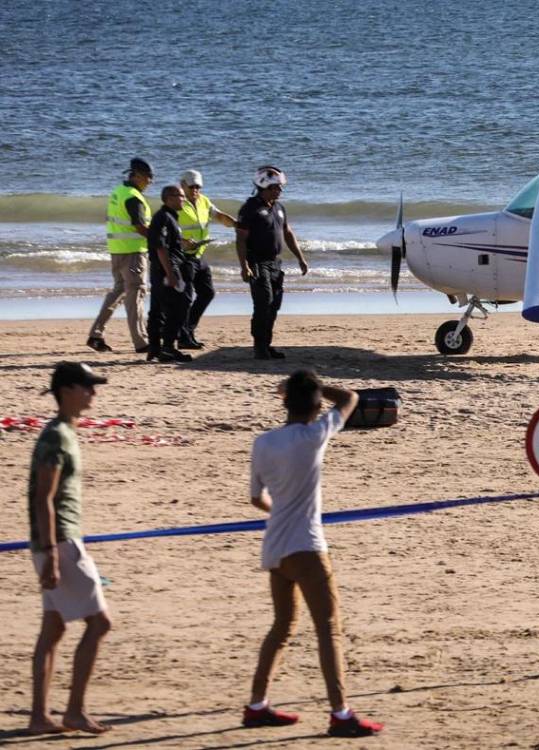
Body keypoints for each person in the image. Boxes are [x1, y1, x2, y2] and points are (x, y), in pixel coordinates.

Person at [244, 369, 383, 738]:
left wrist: (281, 511)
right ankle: (340, 712)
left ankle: (257, 704)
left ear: (285, 402)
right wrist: (320, 386)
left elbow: (257, 498)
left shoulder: (264, 442)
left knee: (282, 626)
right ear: (315, 403)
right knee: (328, 630)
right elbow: (350, 398)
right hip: (307, 545)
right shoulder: (313, 436)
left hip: (275, 545)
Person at [27, 363, 114, 736]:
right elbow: (43, 498)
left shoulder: (64, 432)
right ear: (66, 390)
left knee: (53, 629)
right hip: (60, 541)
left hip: (56, 540)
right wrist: (50, 554)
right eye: (88, 386)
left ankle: (38, 717)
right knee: (99, 622)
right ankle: (74, 712)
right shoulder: (57, 436)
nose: (93, 393)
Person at [236, 166, 309, 360]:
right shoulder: (249, 208)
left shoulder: (279, 208)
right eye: (276, 187)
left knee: (274, 304)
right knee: (263, 303)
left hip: (276, 263)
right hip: (257, 262)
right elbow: (241, 239)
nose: (280, 191)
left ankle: (266, 344)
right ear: (264, 186)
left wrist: (300, 258)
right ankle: (259, 346)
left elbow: (288, 233)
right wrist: (244, 266)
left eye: (280, 187)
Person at [88, 158, 154, 354]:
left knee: (119, 291)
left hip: (117, 250)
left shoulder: (118, 191)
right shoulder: (133, 197)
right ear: (138, 176)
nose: (150, 182)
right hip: (133, 253)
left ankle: (96, 334)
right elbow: (140, 227)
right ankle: (141, 342)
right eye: (149, 178)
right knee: (136, 295)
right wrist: (162, 238)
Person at [177, 170, 237, 349]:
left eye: (198, 186)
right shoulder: (177, 203)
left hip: (199, 255)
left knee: (207, 293)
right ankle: (183, 337)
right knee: (186, 298)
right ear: (183, 185)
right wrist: (182, 242)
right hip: (183, 257)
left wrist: (236, 224)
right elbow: (167, 229)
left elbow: (218, 216)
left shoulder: (204, 201)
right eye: (191, 186)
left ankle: (187, 330)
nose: (195, 189)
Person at [144, 185, 195, 363]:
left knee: (158, 309)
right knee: (179, 305)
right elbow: (160, 248)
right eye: (180, 196)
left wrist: (182, 243)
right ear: (169, 198)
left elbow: (167, 242)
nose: (184, 199)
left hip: (164, 269)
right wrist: (171, 274)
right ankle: (167, 348)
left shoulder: (169, 217)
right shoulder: (163, 217)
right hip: (167, 269)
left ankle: (155, 348)